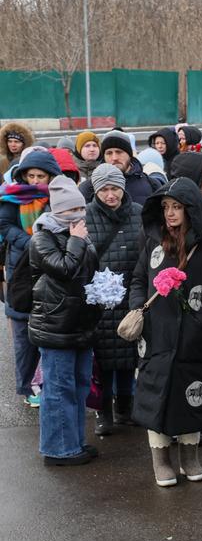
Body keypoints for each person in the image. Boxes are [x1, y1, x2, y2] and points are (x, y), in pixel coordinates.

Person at [128, 177, 202, 486]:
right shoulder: (152, 242)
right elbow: (137, 279)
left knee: (192, 396)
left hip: (194, 339)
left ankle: (189, 456)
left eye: (177, 207)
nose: (170, 214)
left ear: (191, 210)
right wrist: (139, 308)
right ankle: (161, 459)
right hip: (155, 336)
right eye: (165, 207)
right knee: (155, 394)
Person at [28, 175, 100, 465]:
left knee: (79, 385)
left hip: (80, 322)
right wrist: (75, 240)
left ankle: (74, 442)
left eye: (80, 210)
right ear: (57, 211)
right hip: (54, 325)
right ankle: (57, 449)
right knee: (58, 389)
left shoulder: (79, 233)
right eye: (71, 211)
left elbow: (88, 268)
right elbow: (65, 268)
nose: (77, 216)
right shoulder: (42, 236)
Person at [84, 164, 142, 437]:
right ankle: (103, 412)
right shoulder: (86, 216)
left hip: (132, 295)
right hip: (99, 301)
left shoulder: (139, 214)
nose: (110, 195)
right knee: (104, 360)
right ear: (96, 191)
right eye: (104, 189)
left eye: (115, 188)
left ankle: (126, 409)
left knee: (129, 358)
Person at [1, 149, 60, 406]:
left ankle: (47, 382)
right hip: (20, 271)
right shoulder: (11, 198)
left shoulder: (57, 197)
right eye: (31, 175)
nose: (36, 180)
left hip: (50, 270)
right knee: (23, 337)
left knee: (49, 332)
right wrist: (32, 242)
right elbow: (4, 226)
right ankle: (27, 387)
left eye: (41, 175)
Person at [77, 132, 154, 206]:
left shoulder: (151, 184)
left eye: (119, 152)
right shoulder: (88, 188)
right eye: (109, 153)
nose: (114, 158)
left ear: (129, 154)